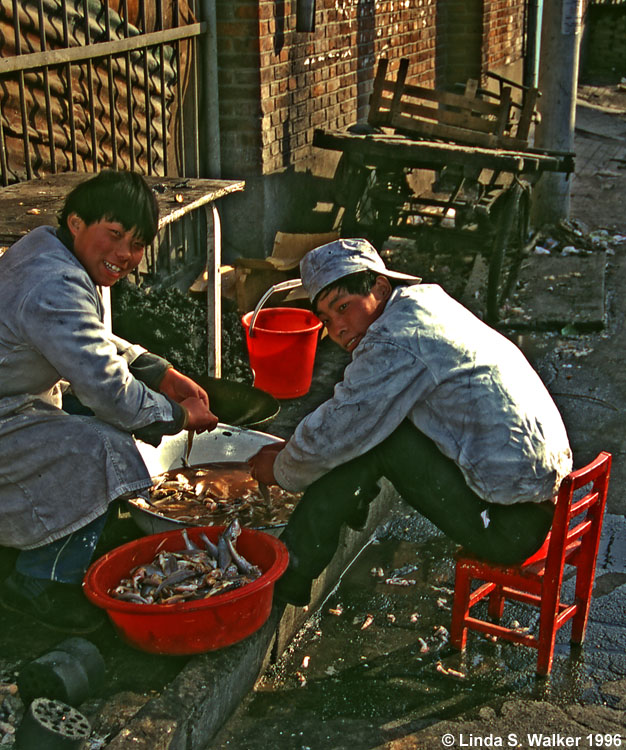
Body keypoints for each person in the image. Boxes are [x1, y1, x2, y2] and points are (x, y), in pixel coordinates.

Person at [250, 238, 573, 606]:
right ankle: (335, 522)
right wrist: (295, 453)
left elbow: (342, 425)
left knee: (372, 440)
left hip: (509, 527)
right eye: (327, 319)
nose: (338, 328)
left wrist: (280, 467)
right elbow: (348, 423)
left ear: (381, 287)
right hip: (540, 498)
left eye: (344, 307)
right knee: (367, 433)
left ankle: (290, 574)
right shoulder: (425, 303)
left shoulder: (393, 341)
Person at [0, 170, 218, 632]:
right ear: (76, 222)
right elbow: (110, 393)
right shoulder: (52, 282)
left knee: (100, 429)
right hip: (7, 410)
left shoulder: (47, 244)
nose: (126, 255)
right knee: (107, 446)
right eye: (114, 235)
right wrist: (177, 415)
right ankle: (40, 580)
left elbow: (88, 339)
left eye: (137, 244)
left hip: (18, 396)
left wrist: (160, 371)